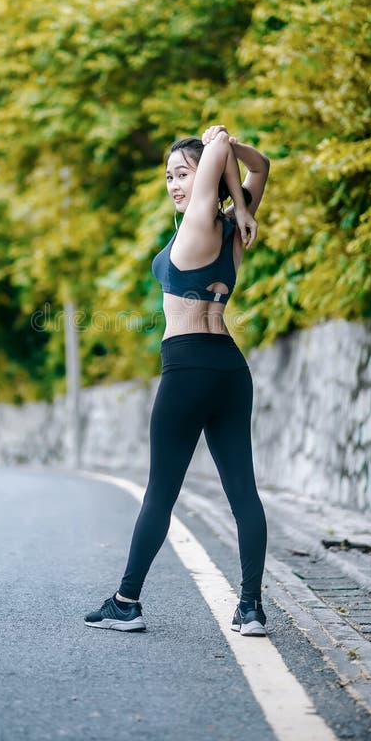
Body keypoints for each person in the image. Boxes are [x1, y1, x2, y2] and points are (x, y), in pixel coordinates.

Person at [85, 124, 270, 635]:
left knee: (161, 493)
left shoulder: (198, 224)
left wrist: (217, 142)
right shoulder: (233, 228)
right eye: (168, 176)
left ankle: (127, 602)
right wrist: (246, 205)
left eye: (184, 174)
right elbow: (261, 168)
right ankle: (251, 608)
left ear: (205, 177)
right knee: (243, 493)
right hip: (230, 370)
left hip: (187, 368)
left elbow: (220, 150)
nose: (174, 184)